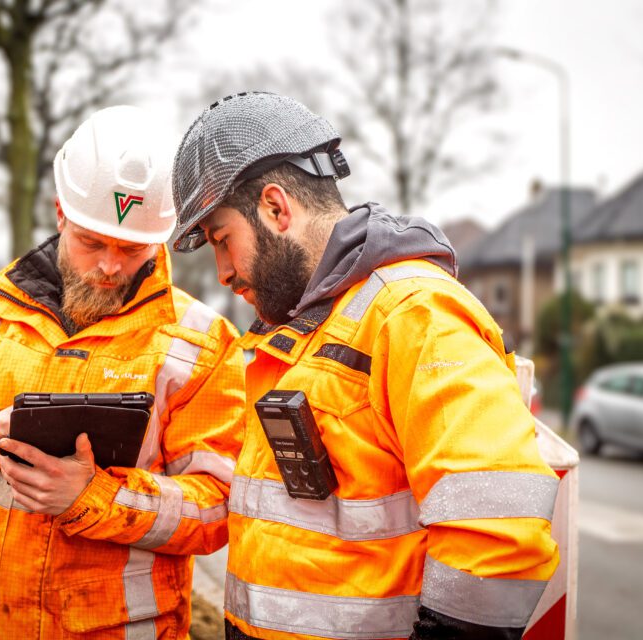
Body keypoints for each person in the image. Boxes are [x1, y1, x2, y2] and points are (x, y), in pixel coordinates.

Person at [171, 92, 560, 640]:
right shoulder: (300, 333)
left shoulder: (413, 314)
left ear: (276, 209)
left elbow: (498, 534)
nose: (223, 273)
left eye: (222, 240)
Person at [0, 105, 245, 639]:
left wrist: (92, 499)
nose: (110, 265)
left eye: (132, 249)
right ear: (61, 212)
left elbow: (219, 508)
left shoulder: (200, 345)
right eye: (92, 242)